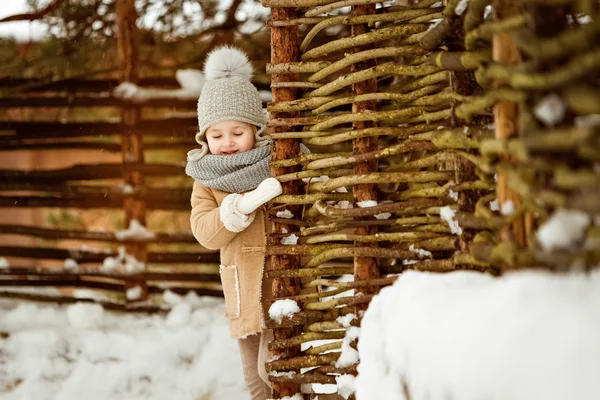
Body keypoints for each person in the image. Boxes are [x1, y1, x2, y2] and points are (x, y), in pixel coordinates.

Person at [185, 46, 280, 400]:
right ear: (204, 137)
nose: (226, 143)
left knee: (273, 370)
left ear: (255, 129)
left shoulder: (274, 163)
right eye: (216, 134)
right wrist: (238, 208)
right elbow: (205, 231)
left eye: (237, 132)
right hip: (241, 294)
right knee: (254, 382)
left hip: (278, 289)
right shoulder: (205, 177)